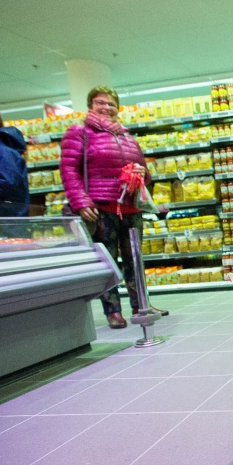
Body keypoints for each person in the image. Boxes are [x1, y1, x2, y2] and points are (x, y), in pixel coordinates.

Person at [60, 86, 167, 329]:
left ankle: (141, 304)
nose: (106, 107)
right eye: (100, 102)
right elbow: (68, 169)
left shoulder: (128, 137)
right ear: (90, 105)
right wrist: (80, 201)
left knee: (135, 260)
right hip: (102, 207)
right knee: (108, 260)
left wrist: (143, 174)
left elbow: (146, 173)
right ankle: (113, 311)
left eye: (111, 104)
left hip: (131, 207)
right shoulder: (80, 133)